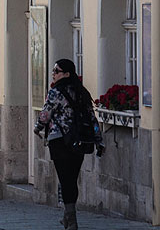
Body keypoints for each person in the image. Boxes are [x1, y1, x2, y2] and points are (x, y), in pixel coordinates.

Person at [34, 59, 104, 230]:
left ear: (66, 74)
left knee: (65, 179)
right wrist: (98, 138)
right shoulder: (81, 92)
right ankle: (68, 215)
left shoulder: (55, 92)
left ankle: (71, 219)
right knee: (71, 178)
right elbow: (91, 117)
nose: (53, 73)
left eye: (56, 71)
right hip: (78, 141)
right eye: (53, 70)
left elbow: (46, 114)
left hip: (59, 141)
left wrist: (38, 128)